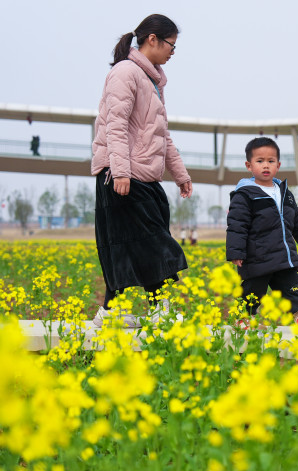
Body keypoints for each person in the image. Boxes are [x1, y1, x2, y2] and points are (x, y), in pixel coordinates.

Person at [90, 14, 193, 328]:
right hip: (123, 174)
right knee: (151, 240)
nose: (173, 52)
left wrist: (181, 174)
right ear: (152, 39)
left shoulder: (153, 80)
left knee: (129, 242)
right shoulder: (126, 72)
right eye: (171, 45)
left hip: (142, 175)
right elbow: (116, 127)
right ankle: (159, 308)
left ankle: (110, 312)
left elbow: (162, 135)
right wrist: (121, 171)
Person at [226, 137, 298, 324]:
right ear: (249, 165)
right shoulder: (245, 194)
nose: (266, 165)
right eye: (260, 161)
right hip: (257, 257)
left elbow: (296, 218)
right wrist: (235, 252)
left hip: (282, 256)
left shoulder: (284, 192)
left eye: (271, 161)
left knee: (294, 287)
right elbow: (237, 225)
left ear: (278, 165)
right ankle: (244, 320)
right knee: (252, 292)